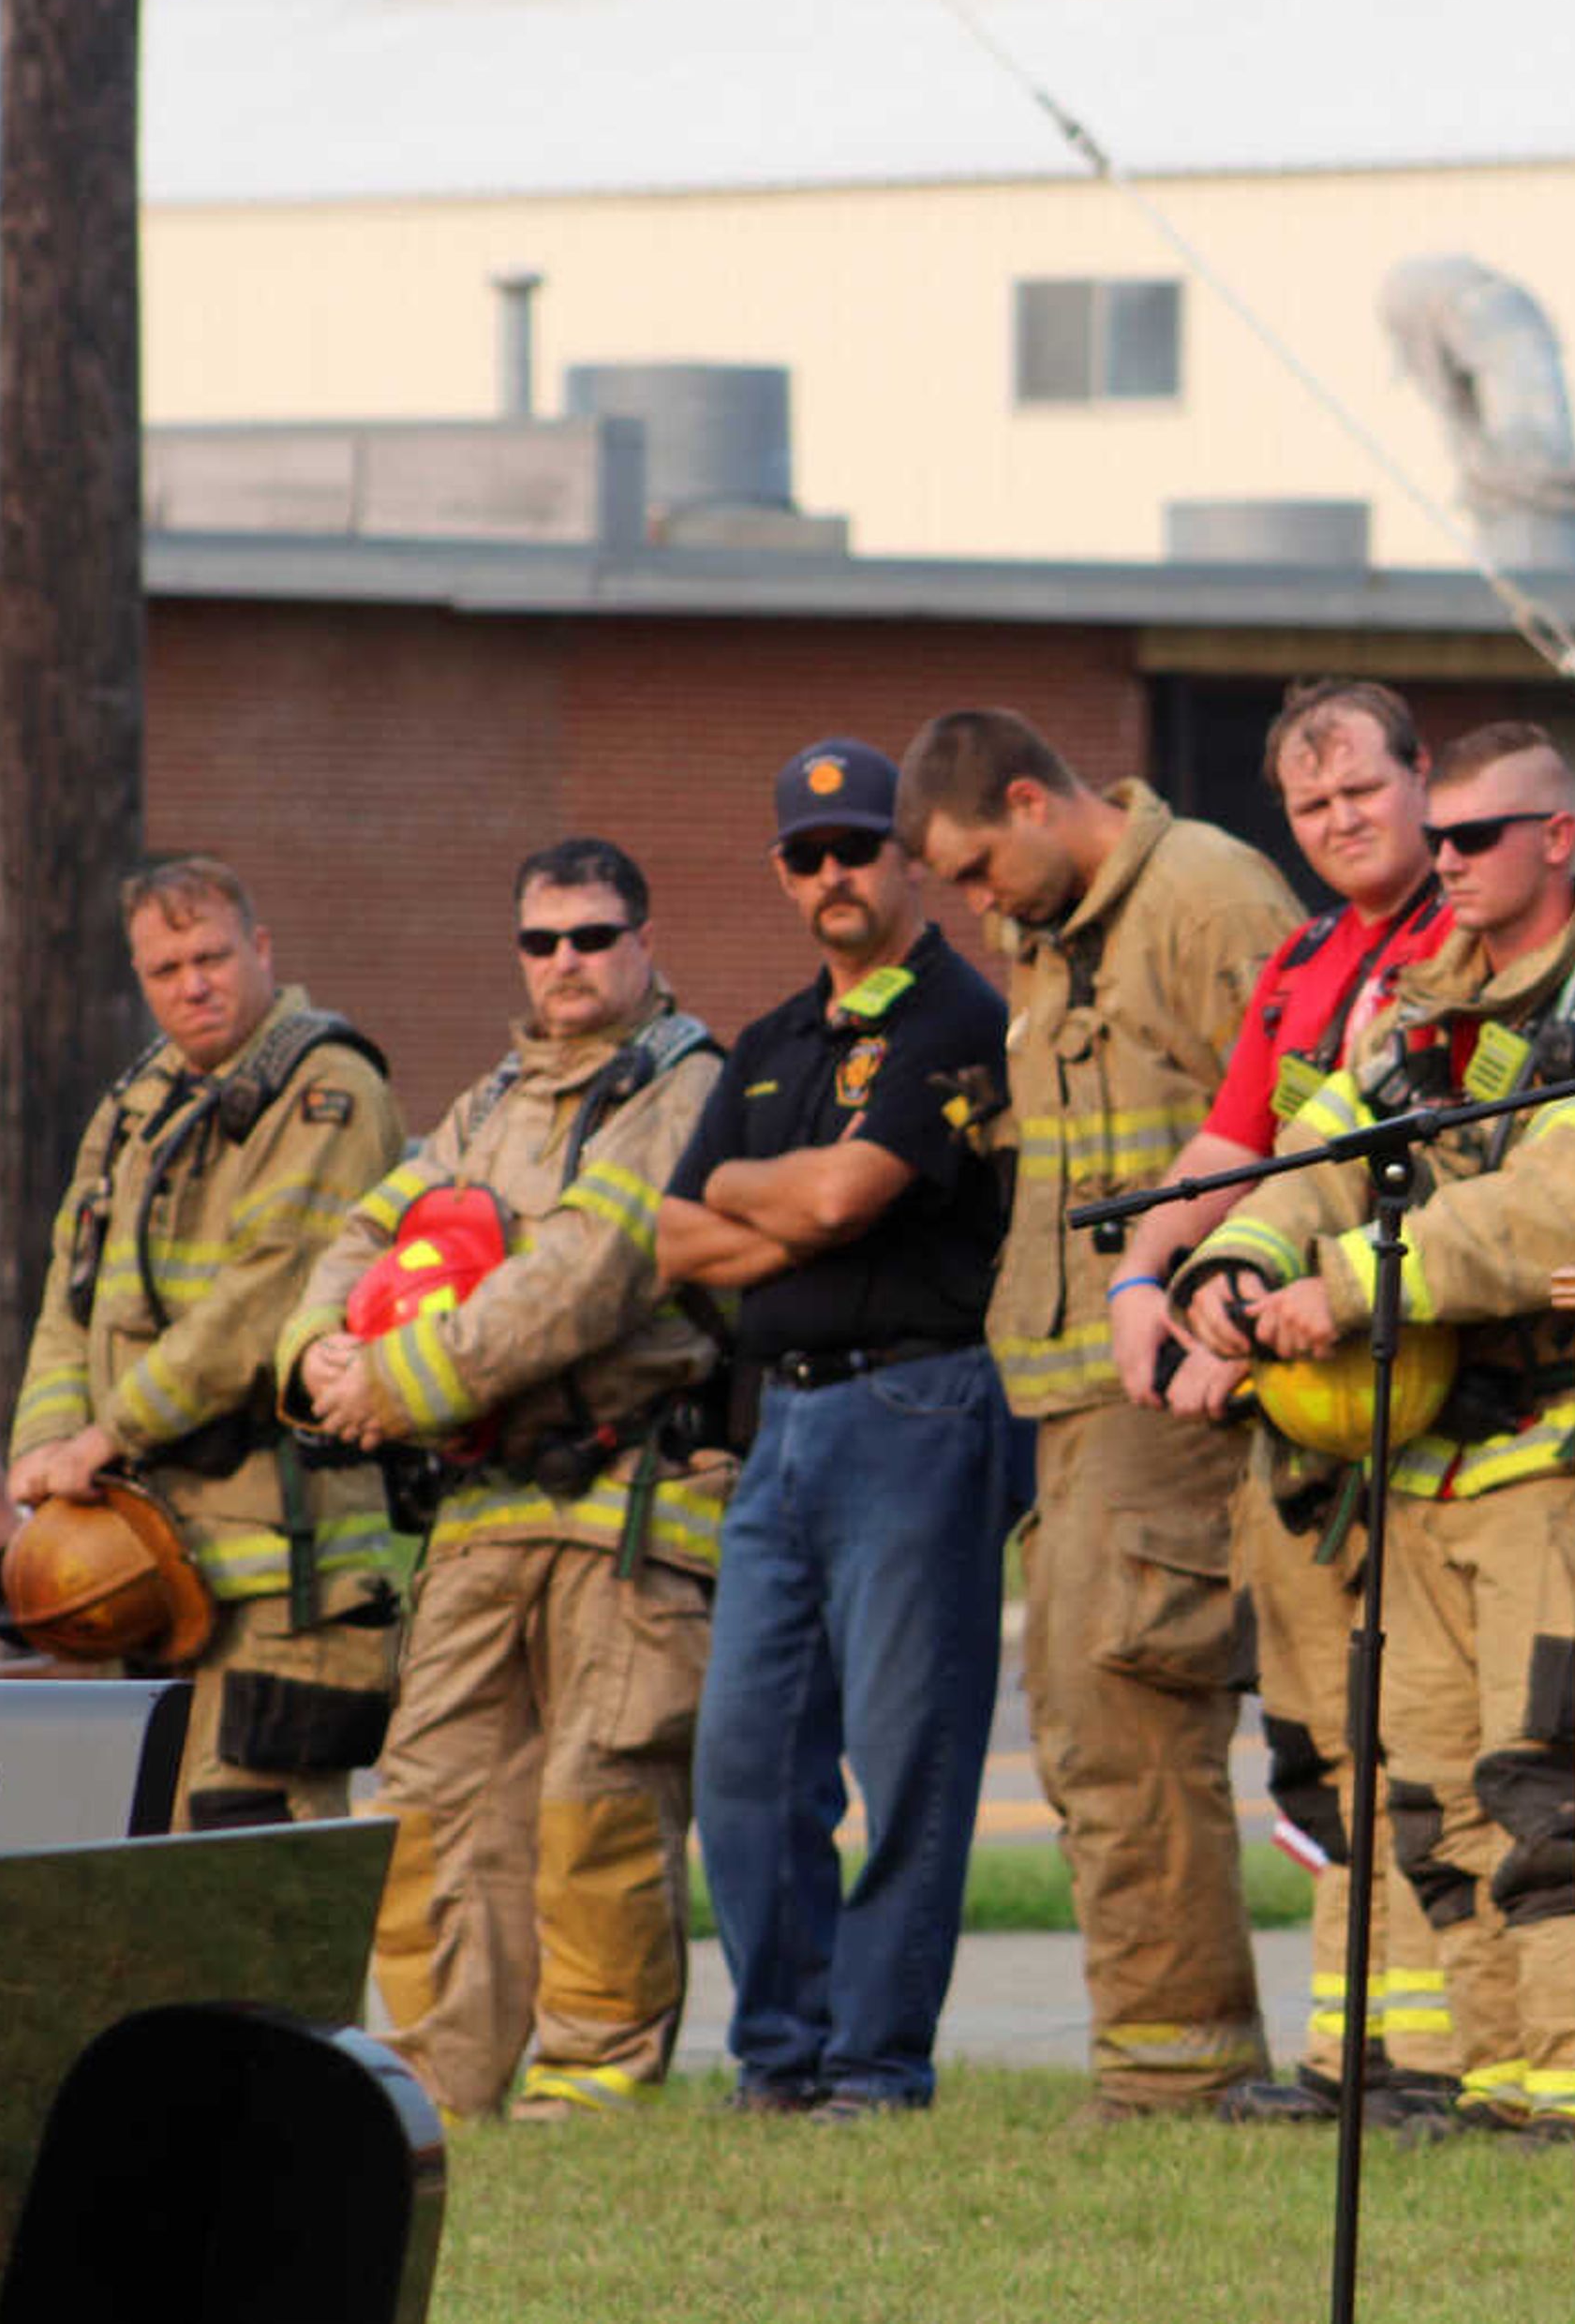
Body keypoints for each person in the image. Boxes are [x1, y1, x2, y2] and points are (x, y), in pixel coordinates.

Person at [1174, 719, 1575, 2146]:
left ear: (1556, 839)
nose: (1449, 858)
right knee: (1428, 1799)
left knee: (1544, 1791)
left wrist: (1346, 1283)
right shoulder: (1423, 1012)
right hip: (1423, 1474)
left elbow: (1559, 1212)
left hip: (1561, 1460)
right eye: (1449, 835)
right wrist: (1231, 1265)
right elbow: (1313, 1166)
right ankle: (1494, 2083)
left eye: (1479, 834)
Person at [278, 838, 732, 2124]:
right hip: (479, 1514)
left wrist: (396, 1385)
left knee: (600, 1797)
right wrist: (319, 1353)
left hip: (629, 1506)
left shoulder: (689, 1085)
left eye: (593, 936)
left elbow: (583, 1276)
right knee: (429, 1807)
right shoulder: (491, 1101)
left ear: (643, 940)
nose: (567, 963)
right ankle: (434, 2092)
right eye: (543, 942)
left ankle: (588, 2086)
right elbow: (366, 1230)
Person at [894, 704, 1301, 2126]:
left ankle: (1173, 2074)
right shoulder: (1052, 938)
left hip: (1163, 1384)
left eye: (974, 870)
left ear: (1031, 798)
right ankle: (1161, 2054)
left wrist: (1214, 1319)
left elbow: (1299, 1121)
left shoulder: (1208, 898)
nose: (972, 907)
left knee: (1122, 1716)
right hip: (1064, 1391)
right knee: (1084, 1724)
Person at [1111, 678, 1464, 2128]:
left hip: (1433, 1411)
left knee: (1434, 1747)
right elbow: (1229, 1145)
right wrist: (1141, 1276)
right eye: (1312, 806)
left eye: (1363, 792)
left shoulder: (1477, 946)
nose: (1340, 823)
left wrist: (1233, 1331)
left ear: (1426, 779)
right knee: (1321, 1749)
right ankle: (1352, 2055)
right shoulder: (1307, 961)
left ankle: (1453, 2062)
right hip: (1306, 1421)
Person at [658, 737, 1025, 2122]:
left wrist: (763, 1197)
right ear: (781, 874)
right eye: (808, 856)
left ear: (908, 859)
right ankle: (781, 2056)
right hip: (778, 1429)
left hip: (914, 1405)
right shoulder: (765, 1044)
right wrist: (783, 1197)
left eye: (859, 847)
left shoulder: (953, 1014)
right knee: (745, 1764)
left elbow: (834, 1205)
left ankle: (875, 2064)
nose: (835, 875)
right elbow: (672, 1236)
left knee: (903, 1752)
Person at [0, 857, 404, 1827]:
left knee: (256, 1890)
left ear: (260, 949)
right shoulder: (139, 1102)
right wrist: (45, 1461)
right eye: (165, 967)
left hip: (280, 1587)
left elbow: (267, 1296)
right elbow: (72, 1294)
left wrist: (110, 1435)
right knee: (137, 1885)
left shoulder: (328, 1090)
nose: (193, 983)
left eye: (213, 955)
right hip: (138, 1571)